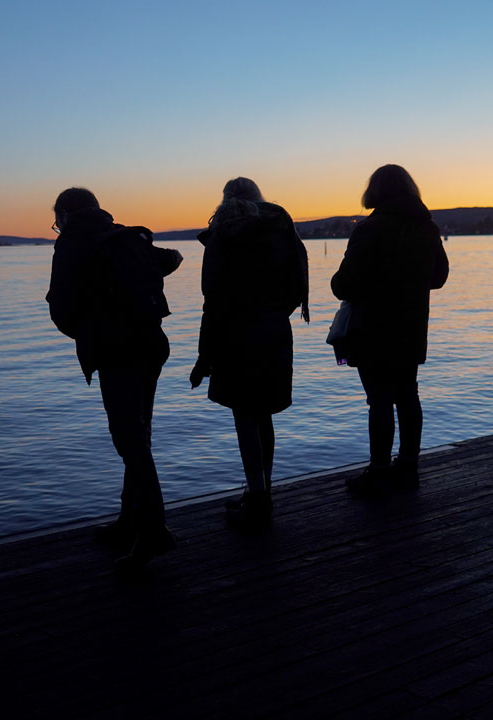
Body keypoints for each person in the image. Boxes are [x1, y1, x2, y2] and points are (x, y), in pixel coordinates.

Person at [45, 187, 183, 574]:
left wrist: (89, 331)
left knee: (129, 439)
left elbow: (61, 309)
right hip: (152, 343)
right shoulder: (125, 235)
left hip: (117, 351)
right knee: (139, 434)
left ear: (66, 215)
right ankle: (129, 521)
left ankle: (152, 528)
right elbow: (171, 257)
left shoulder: (72, 244)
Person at [189, 178, 309, 527]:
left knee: (245, 415)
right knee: (264, 413)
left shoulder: (222, 235)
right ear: (259, 198)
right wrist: (273, 314)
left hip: (234, 333)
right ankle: (261, 491)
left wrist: (203, 356)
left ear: (224, 201)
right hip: (274, 330)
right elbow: (294, 286)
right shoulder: (279, 230)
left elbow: (212, 298)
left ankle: (257, 498)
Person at [330, 164, 448, 494]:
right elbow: (438, 278)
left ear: (375, 192)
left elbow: (343, 284)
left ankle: (379, 472)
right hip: (411, 327)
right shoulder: (427, 227)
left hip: (373, 330)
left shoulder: (370, 229)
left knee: (379, 400)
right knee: (408, 395)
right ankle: (409, 468)